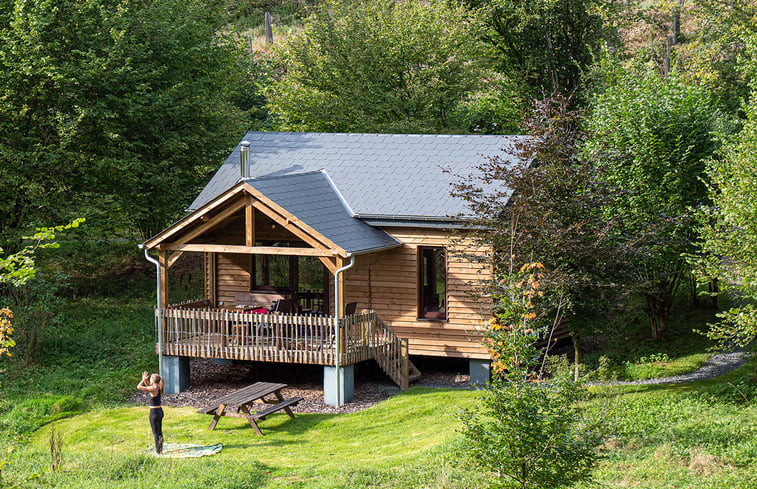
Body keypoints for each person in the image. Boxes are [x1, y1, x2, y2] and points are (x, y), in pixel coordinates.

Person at [137, 371, 164, 454]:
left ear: (153, 380)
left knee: (155, 433)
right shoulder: (158, 386)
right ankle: (160, 449)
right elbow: (148, 385)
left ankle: (158, 452)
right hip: (160, 411)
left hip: (154, 413)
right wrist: (145, 380)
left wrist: (142, 380)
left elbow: (139, 387)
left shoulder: (153, 388)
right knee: (159, 432)